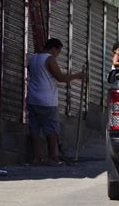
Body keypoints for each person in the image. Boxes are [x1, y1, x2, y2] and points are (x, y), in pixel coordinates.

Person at [27, 38, 85, 166]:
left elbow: (32, 72)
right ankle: (53, 157)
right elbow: (61, 78)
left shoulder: (33, 57)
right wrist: (78, 76)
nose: (57, 54)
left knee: (34, 129)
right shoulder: (49, 59)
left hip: (32, 98)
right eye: (58, 51)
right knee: (51, 130)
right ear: (54, 48)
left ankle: (36, 157)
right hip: (47, 100)